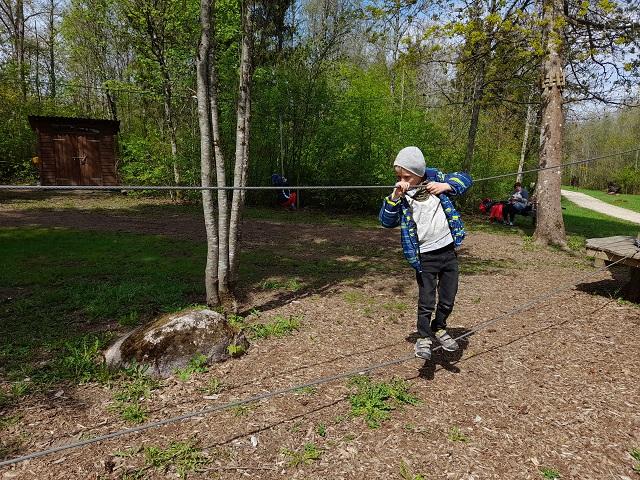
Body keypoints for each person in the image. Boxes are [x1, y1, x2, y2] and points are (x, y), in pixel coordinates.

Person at [379, 146, 473, 360]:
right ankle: (423, 337)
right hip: (425, 256)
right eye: (399, 177)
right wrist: (395, 196)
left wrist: (446, 185)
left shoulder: (435, 179)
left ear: (419, 173)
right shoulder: (402, 195)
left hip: (448, 251)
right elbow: (386, 221)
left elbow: (466, 179)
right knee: (427, 300)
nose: (402, 181)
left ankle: (439, 327)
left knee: (448, 297)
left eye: (407, 177)